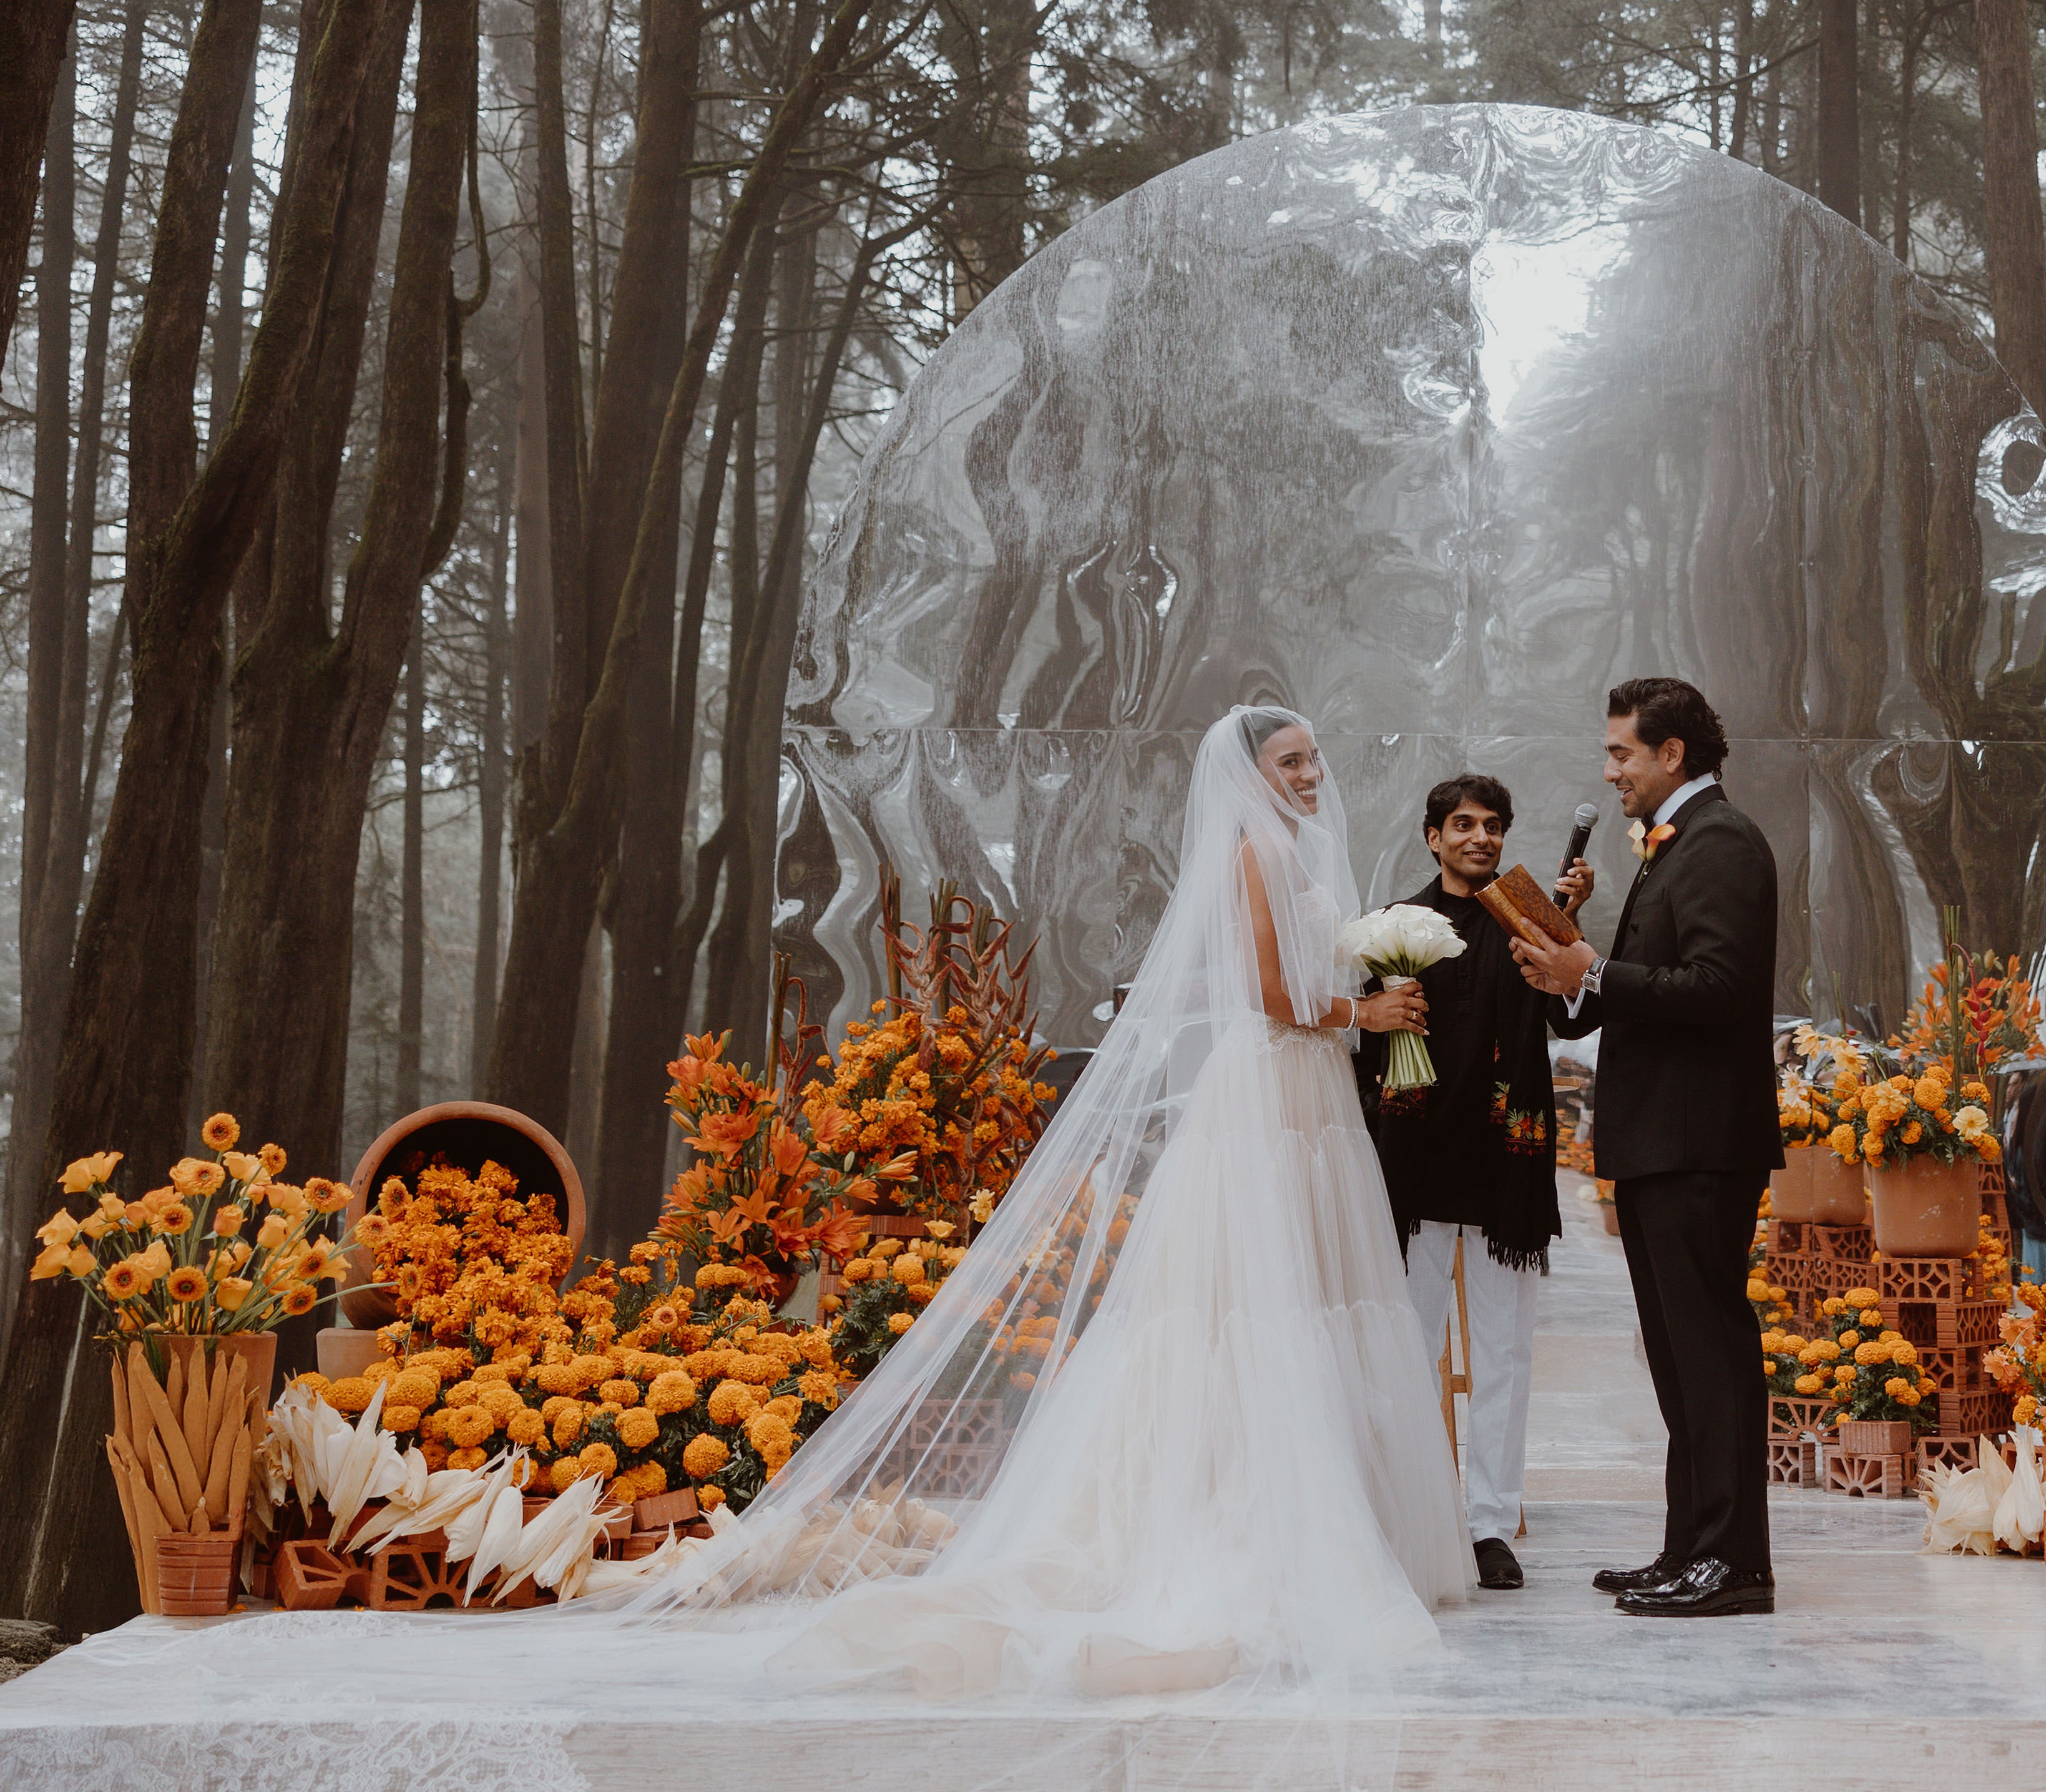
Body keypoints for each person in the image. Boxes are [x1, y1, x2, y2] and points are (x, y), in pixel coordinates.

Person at [6, 707, 1469, 1734]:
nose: (1306, 774)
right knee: (1242, 1315)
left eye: (1310, 759)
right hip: (1269, 1101)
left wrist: (1371, 1007)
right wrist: (1370, 1003)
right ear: (1244, 776)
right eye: (1287, 760)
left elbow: (1307, 1002)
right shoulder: (1244, 863)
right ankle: (1232, 1522)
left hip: (1311, 1108)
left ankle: (1341, 1514)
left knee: (1326, 1305)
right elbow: (1274, 1000)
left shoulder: (1312, 860)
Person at [1510, 676, 1782, 1619]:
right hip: (1666, 1139)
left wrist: (1599, 973)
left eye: (1623, 751)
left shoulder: (1721, 843)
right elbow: (1646, 987)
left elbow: (1718, 990)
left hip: (1700, 1141)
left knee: (1709, 1351)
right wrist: (1573, 962)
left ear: (1674, 754)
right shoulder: (1676, 849)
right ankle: (1690, 1549)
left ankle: (1735, 1564)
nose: (1610, 769)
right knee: (1676, 1355)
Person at [1354, 774, 1587, 1593]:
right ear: (1432, 836)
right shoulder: (1391, 926)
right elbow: (1364, 1046)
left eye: (1493, 826)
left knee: (1503, 1356)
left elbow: (1572, 1014)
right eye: (1463, 824)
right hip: (1414, 1164)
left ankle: (1489, 1525)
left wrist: (1568, 927)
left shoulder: (1526, 914)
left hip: (1504, 1163)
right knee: (1406, 1351)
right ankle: (1414, 1518)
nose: (1480, 837)